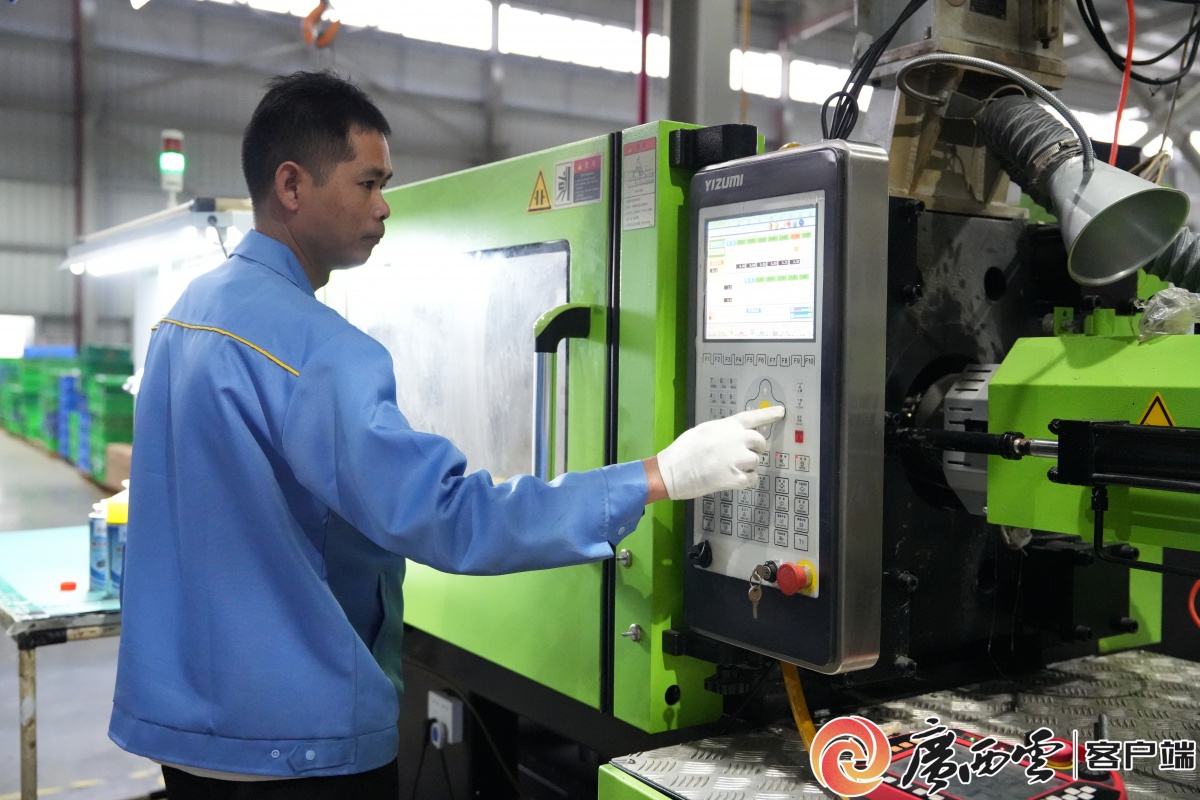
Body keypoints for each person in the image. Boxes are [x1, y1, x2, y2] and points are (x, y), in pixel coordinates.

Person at [108, 70, 782, 797]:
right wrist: (661, 475)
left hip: (184, 729)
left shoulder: (184, 316)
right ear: (292, 185)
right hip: (296, 744)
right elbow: (449, 517)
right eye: (368, 183)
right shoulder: (322, 351)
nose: (384, 206)